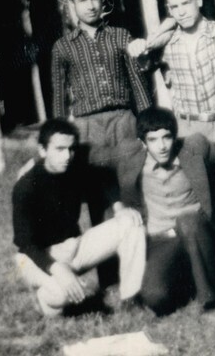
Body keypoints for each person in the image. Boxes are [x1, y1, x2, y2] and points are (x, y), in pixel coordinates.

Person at [90, 107, 215, 315]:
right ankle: (188, 280)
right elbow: (91, 161)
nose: (161, 146)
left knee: (187, 221)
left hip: (199, 234)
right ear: (143, 142)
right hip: (160, 241)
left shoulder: (194, 147)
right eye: (153, 140)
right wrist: (117, 205)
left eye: (166, 138)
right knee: (155, 297)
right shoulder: (129, 154)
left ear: (174, 137)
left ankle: (210, 300)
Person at [128, 0, 215, 226]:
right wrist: (141, 45)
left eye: (186, 3)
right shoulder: (166, 44)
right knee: (205, 205)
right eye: (174, 7)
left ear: (199, 0)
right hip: (187, 129)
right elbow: (142, 64)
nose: (181, 11)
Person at [12, 119, 146, 317]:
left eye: (71, 149)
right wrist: (58, 269)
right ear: (42, 150)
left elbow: (105, 177)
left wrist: (119, 208)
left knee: (130, 223)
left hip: (73, 248)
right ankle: (43, 298)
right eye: (59, 149)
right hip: (34, 259)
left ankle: (130, 299)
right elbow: (25, 243)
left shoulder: (74, 167)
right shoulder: (26, 186)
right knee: (61, 295)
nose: (67, 156)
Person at [51, 0, 152, 147]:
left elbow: (138, 85)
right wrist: (59, 137)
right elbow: (59, 97)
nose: (90, 6)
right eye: (83, 0)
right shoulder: (62, 46)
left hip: (124, 121)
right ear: (72, 3)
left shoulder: (120, 35)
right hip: (87, 128)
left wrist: (149, 127)